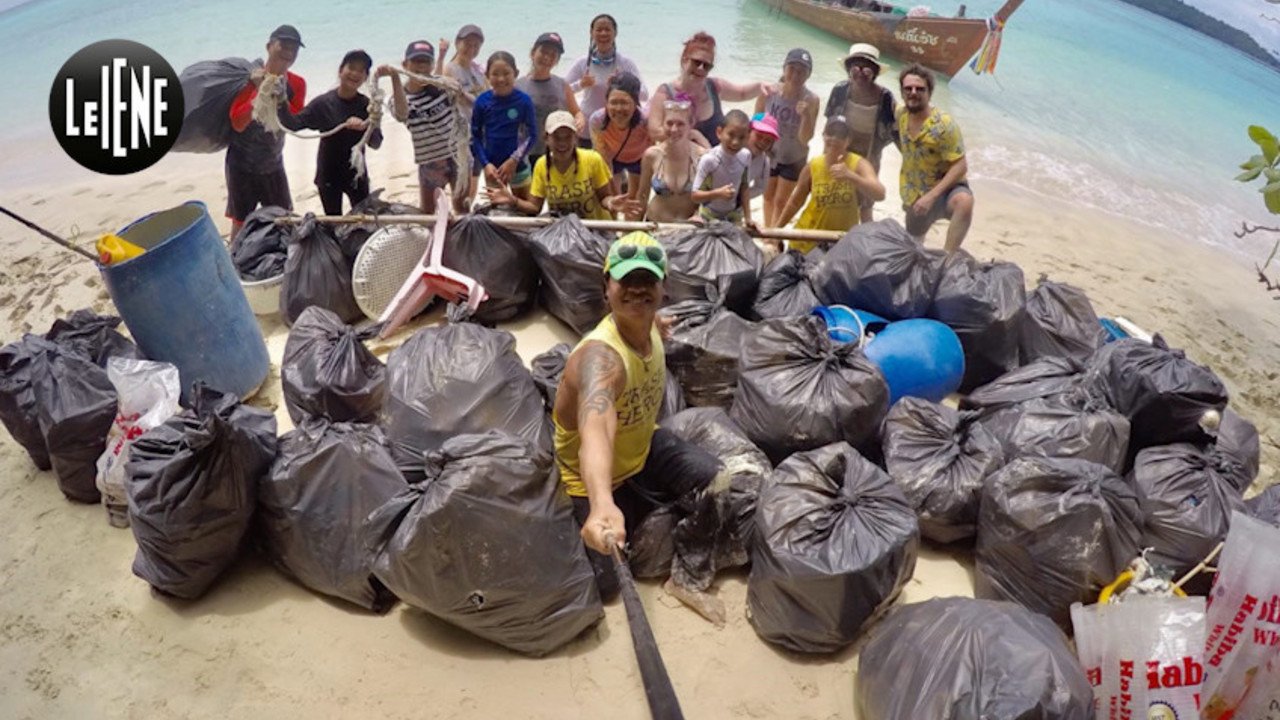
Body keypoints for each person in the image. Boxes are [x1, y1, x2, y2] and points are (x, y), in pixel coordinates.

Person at [554, 231, 729, 623]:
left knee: (716, 480)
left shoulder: (647, 323)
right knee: (608, 585)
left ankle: (686, 578)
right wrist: (601, 503)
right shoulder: (599, 359)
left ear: (664, 289)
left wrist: (656, 324)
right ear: (606, 288)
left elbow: (647, 318)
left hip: (642, 449)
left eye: (647, 282)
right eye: (626, 283)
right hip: (589, 478)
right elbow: (595, 432)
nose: (637, 291)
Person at [226, 24, 307, 239]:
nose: (289, 53)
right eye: (284, 45)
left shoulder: (297, 84)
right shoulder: (248, 79)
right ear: (269, 46)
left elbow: (294, 123)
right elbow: (237, 123)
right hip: (242, 164)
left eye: (294, 49)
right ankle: (235, 264)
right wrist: (258, 92)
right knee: (241, 222)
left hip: (273, 163)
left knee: (284, 218)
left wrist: (281, 99)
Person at [280, 49, 382, 215]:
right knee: (333, 225)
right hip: (328, 176)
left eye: (361, 70)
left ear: (365, 77)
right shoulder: (323, 104)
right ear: (340, 70)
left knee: (364, 225)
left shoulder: (367, 106)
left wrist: (365, 128)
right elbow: (292, 124)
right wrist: (280, 99)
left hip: (357, 176)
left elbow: (376, 143)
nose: (355, 73)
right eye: (351, 67)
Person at [775, 118, 885, 254]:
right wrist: (776, 231)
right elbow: (795, 201)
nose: (834, 138)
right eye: (830, 133)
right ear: (823, 136)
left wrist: (851, 176)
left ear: (848, 140)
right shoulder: (813, 165)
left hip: (840, 242)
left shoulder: (858, 164)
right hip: (808, 241)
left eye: (841, 135)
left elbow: (880, 194)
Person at [897, 63, 973, 253]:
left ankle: (946, 259)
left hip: (944, 191)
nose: (913, 92)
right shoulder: (901, 116)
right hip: (914, 194)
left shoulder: (944, 124)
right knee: (912, 247)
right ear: (902, 92)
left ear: (929, 92)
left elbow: (961, 166)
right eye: (908, 88)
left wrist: (932, 196)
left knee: (964, 202)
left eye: (920, 89)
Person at [490, 110, 616, 220]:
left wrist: (611, 203)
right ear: (546, 139)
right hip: (563, 235)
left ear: (575, 138)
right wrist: (513, 200)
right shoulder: (542, 165)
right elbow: (535, 206)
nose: (562, 143)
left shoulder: (592, 160)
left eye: (568, 137)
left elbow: (604, 197)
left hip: (594, 231)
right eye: (557, 137)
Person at [648, 32, 768, 147]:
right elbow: (654, 132)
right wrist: (691, 136)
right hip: (681, 162)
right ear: (684, 60)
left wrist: (761, 86)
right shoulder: (666, 93)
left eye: (707, 66)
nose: (701, 68)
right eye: (696, 62)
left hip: (716, 163)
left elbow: (742, 93)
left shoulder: (714, 87)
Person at [385, 40, 461, 215]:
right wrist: (395, 78)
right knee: (428, 213)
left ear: (432, 65)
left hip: (457, 156)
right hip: (430, 162)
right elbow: (401, 114)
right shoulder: (399, 97)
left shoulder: (442, 85)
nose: (421, 66)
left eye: (426, 62)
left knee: (462, 207)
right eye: (416, 61)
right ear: (405, 65)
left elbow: (463, 100)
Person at [824, 43, 898, 221]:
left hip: (869, 156)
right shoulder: (840, 90)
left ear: (874, 73)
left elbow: (894, 132)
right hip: (840, 151)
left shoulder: (886, 98)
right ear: (849, 70)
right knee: (832, 197)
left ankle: (865, 241)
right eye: (855, 68)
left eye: (867, 70)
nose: (860, 74)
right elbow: (829, 126)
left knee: (865, 203)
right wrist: (827, 154)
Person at [565, 14, 648, 149]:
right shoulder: (582, 63)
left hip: (615, 128)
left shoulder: (625, 63)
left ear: (615, 33)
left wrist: (624, 85)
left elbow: (644, 95)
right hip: (586, 129)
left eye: (607, 30)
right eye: (599, 30)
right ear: (591, 33)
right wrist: (581, 85)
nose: (603, 33)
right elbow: (562, 89)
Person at [757, 48, 819, 227]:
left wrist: (806, 116)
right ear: (784, 69)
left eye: (802, 71)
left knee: (781, 201)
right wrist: (759, 147)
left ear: (808, 75)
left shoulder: (811, 99)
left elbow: (805, 139)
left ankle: (775, 237)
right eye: (792, 68)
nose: (796, 75)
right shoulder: (769, 92)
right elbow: (756, 121)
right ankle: (769, 233)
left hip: (794, 156)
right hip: (770, 153)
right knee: (768, 197)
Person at [470, 52, 538, 202]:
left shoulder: (524, 101)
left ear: (516, 74)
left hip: (518, 166)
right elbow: (475, 136)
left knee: (526, 210)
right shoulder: (482, 101)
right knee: (497, 212)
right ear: (487, 75)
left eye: (506, 73)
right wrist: (486, 164)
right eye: (495, 74)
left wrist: (513, 160)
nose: (501, 79)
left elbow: (532, 135)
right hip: (493, 170)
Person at [515, 32, 585, 170]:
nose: (547, 57)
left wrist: (580, 120)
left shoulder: (562, 85)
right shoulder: (518, 86)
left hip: (558, 151)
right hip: (526, 152)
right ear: (533, 53)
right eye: (544, 52)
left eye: (553, 54)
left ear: (557, 60)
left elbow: (576, 112)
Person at [628, 100, 705, 222]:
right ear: (662, 124)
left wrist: (700, 216)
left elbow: (711, 200)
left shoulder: (702, 157)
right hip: (655, 225)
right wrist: (632, 231)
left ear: (691, 125)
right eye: (669, 123)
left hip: (689, 230)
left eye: (680, 124)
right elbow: (642, 196)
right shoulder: (651, 155)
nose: (674, 129)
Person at [444, 24, 489, 210]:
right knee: (462, 180)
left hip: (479, 132)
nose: (472, 48)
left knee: (475, 177)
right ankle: (461, 215)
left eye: (476, 45)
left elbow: (487, 98)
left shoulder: (478, 71)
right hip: (460, 135)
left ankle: (467, 214)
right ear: (457, 43)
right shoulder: (450, 70)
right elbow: (448, 96)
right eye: (468, 43)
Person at [589, 73, 652, 196]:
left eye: (624, 103)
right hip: (613, 157)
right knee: (611, 197)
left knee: (636, 199)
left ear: (635, 105)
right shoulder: (597, 120)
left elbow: (653, 147)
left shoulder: (645, 121)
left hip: (639, 157)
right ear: (606, 103)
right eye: (613, 103)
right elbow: (602, 153)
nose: (618, 109)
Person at [690, 109, 755, 226]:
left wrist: (748, 218)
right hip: (708, 216)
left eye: (741, 138)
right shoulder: (709, 160)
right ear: (719, 132)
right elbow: (695, 195)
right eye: (731, 135)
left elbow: (745, 187)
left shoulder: (745, 156)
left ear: (748, 137)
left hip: (734, 216)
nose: (735, 142)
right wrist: (718, 193)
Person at [746, 112, 778, 204]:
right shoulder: (732, 150)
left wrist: (740, 196)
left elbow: (761, 187)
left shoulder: (764, 162)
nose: (763, 142)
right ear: (748, 132)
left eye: (768, 140)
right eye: (759, 136)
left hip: (736, 205)